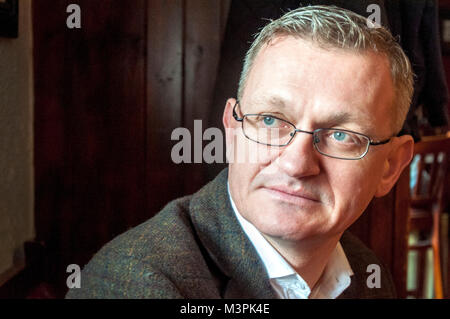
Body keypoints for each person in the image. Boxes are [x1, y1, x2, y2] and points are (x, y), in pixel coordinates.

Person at [66, 5, 414, 299]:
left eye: (341, 135)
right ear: (232, 132)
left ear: (390, 167)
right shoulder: (134, 285)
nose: (295, 163)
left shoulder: (369, 274)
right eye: (269, 119)